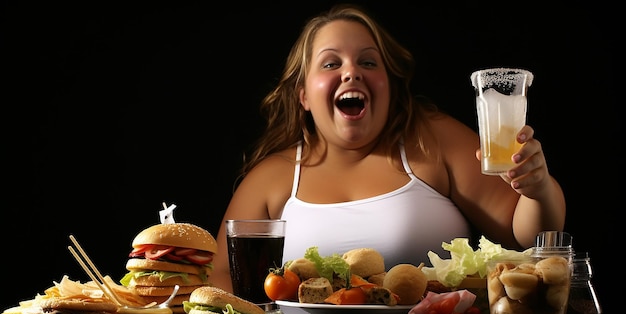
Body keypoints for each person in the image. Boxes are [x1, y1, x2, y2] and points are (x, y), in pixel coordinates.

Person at [208, 4, 566, 294]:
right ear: (303, 94)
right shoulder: (272, 176)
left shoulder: (433, 140)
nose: (351, 73)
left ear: (389, 86)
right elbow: (219, 275)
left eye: (368, 62)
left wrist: (538, 189)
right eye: (332, 63)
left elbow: (528, 236)